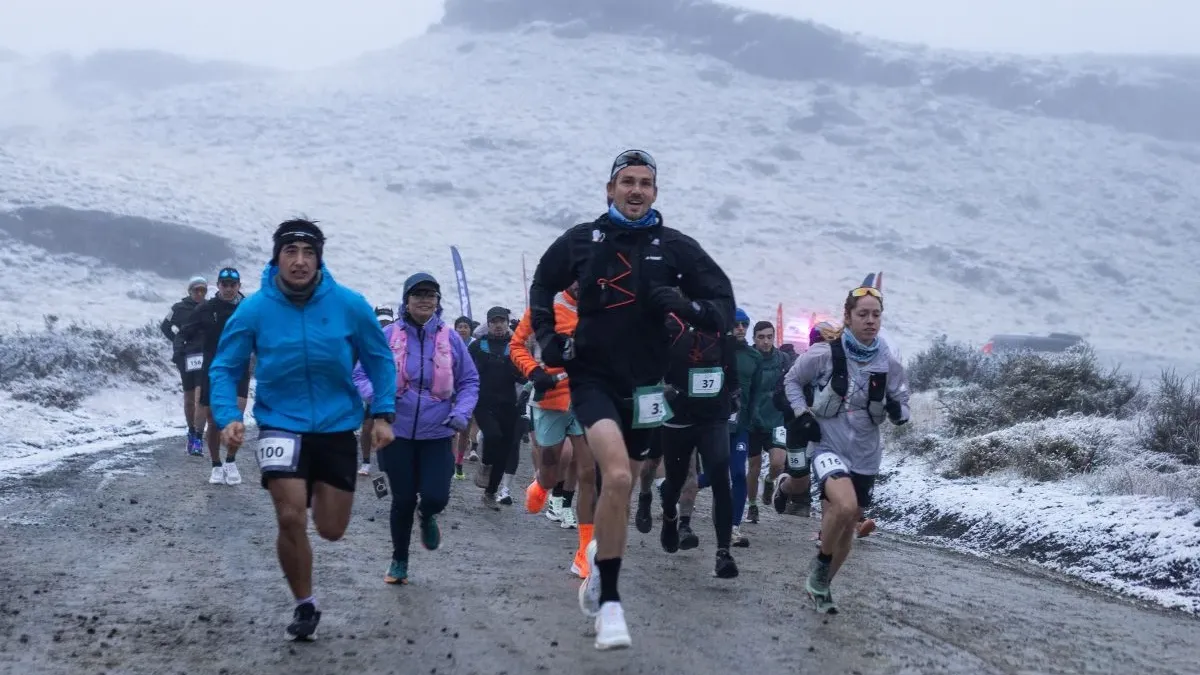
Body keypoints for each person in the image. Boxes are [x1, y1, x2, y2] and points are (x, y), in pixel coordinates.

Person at [528, 149, 734, 649]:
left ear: (656, 193)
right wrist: (553, 343)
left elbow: (723, 305)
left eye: (645, 182)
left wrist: (686, 306)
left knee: (633, 474)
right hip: (592, 377)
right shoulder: (581, 239)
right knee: (616, 474)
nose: (636, 190)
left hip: (646, 387)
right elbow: (541, 285)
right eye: (627, 181)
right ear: (610, 189)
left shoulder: (676, 247)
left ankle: (601, 558)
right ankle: (612, 606)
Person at [210, 218, 397, 640]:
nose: (299, 261)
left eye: (308, 253)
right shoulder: (254, 308)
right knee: (291, 514)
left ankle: (307, 482)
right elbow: (224, 367)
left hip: (335, 427)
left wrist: (383, 412)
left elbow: (380, 360)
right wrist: (228, 416)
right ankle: (304, 604)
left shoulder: (349, 305)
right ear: (277, 257)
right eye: (290, 252)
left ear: (319, 259)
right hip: (280, 423)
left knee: (331, 529)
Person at [782, 284, 910, 614]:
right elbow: (791, 381)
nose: (870, 321)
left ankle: (820, 584)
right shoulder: (825, 353)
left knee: (847, 533)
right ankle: (820, 565)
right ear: (848, 317)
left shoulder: (889, 361)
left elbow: (903, 401)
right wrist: (801, 414)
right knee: (846, 506)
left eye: (876, 315)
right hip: (828, 446)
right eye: (863, 314)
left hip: (866, 454)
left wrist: (899, 412)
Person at [355, 273, 479, 585]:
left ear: (438, 302)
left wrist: (462, 412)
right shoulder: (387, 335)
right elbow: (360, 374)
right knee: (403, 499)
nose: (425, 300)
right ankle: (399, 559)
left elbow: (469, 382)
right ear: (406, 300)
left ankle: (428, 515)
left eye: (431, 295)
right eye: (418, 294)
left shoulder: (451, 339)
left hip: (439, 431)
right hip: (396, 432)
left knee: (436, 496)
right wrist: (380, 401)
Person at [512, 283, 595, 572]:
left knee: (589, 472)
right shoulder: (545, 307)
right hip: (551, 397)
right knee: (552, 467)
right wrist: (534, 372)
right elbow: (516, 345)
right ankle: (540, 486)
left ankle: (584, 553)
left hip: (588, 400)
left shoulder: (603, 309)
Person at [657, 305, 739, 578]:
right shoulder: (670, 324)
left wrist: (734, 394)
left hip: (713, 416)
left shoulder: (721, 328)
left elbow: (731, 368)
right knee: (676, 482)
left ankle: (723, 552)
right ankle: (670, 516)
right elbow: (648, 359)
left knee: (721, 480)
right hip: (679, 415)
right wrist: (659, 387)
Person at [181, 267, 249, 485]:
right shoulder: (207, 308)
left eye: (233, 285)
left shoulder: (247, 309)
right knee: (213, 419)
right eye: (224, 284)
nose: (229, 289)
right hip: (214, 370)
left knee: (235, 419)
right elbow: (185, 331)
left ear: (239, 286)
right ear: (218, 286)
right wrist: (182, 354)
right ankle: (216, 466)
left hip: (239, 369)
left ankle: (231, 461)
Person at [470, 306, 525, 508]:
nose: (498, 325)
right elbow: (465, 370)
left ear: (507, 323)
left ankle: (490, 492)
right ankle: (485, 463)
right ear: (488, 324)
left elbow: (525, 372)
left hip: (509, 403)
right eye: (494, 321)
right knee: (493, 435)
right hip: (483, 403)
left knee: (505, 449)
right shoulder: (478, 346)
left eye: (502, 321)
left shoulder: (516, 346)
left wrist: (522, 375)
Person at [747, 320, 790, 523]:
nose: (766, 341)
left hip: (776, 420)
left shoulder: (783, 359)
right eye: (761, 337)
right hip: (752, 420)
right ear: (754, 338)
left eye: (769, 336)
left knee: (778, 463)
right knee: (753, 467)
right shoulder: (749, 357)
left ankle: (770, 481)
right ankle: (752, 506)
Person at [160, 276, 208, 455]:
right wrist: (178, 344)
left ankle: (198, 437)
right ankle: (191, 431)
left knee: (199, 396)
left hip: (205, 356)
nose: (200, 293)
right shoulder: (178, 308)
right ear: (190, 291)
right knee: (189, 398)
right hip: (186, 356)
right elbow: (165, 327)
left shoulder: (209, 308)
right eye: (197, 290)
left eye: (203, 290)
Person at [727, 307, 760, 547]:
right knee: (715, 473)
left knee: (738, 472)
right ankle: (683, 491)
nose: (741, 328)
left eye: (745, 324)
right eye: (737, 324)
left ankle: (734, 527)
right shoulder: (717, 350)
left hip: (741, 426)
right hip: (716, 424)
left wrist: (750, 421)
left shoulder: (754, 357)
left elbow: (757, 393)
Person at [358, 306, 396, 476]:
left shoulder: (398, 339)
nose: (384, 326)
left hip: (394, 394)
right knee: (367, 428)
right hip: (372, 393)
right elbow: (359, 371)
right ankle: (366, 462)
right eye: (381, 323)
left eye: (387, 322)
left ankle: (389, 464)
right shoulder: (368, 340)